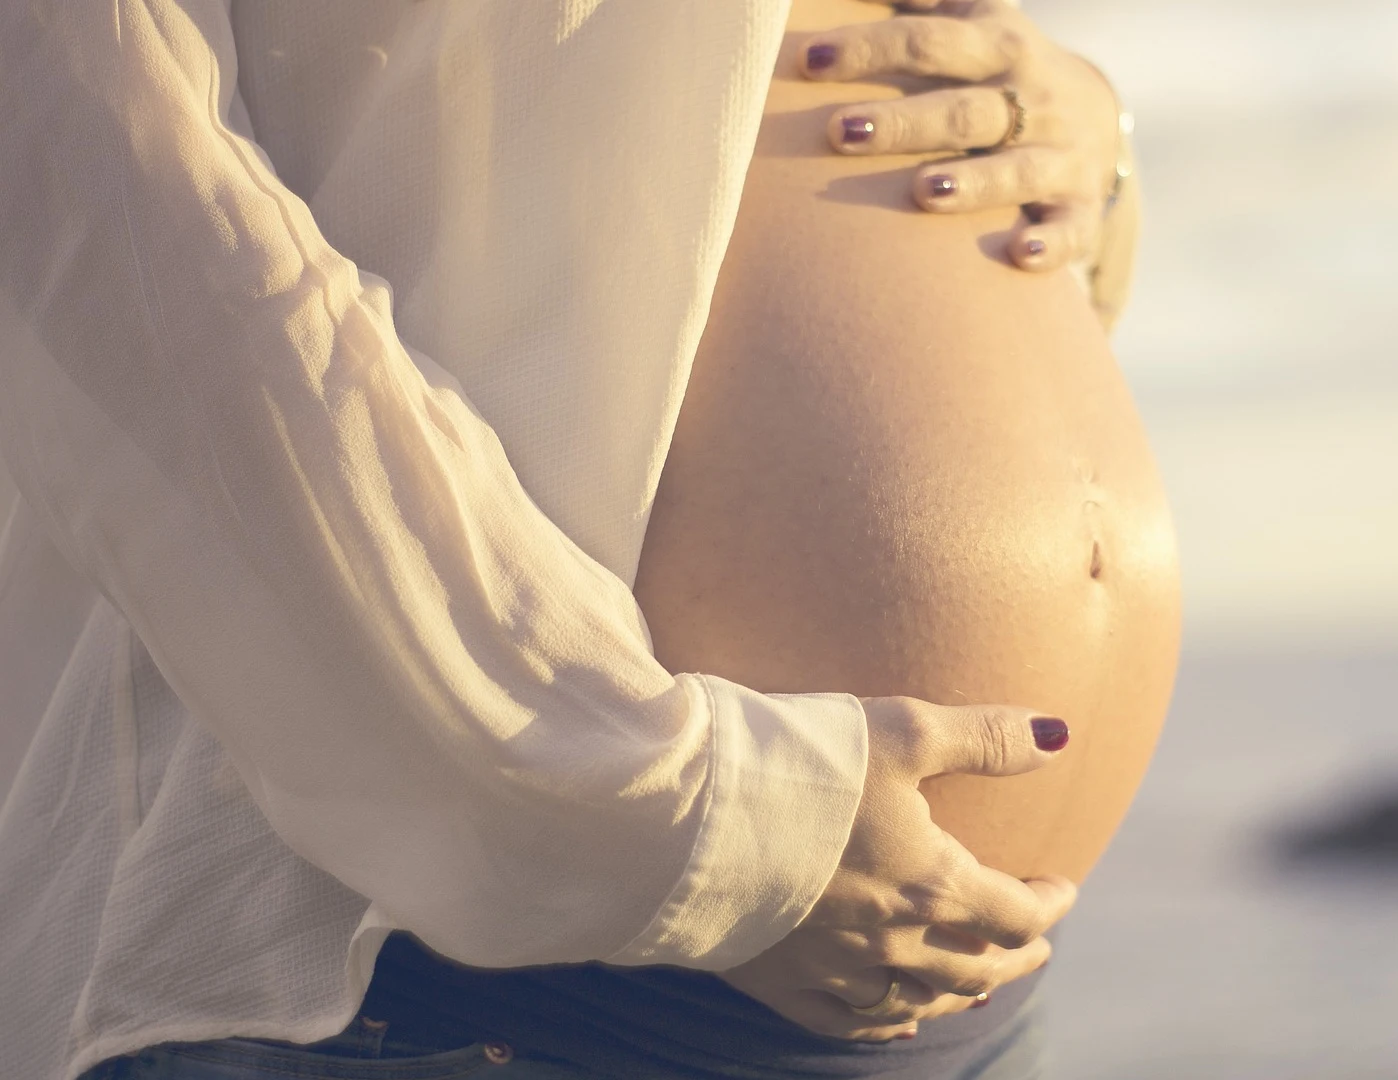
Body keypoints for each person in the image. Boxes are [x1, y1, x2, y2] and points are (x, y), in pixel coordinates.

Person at [0, 1, 1175, 1077]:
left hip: (961, 1003)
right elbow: (105, 194)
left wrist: (1080, 130)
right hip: (454, 984)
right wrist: (672, 821)